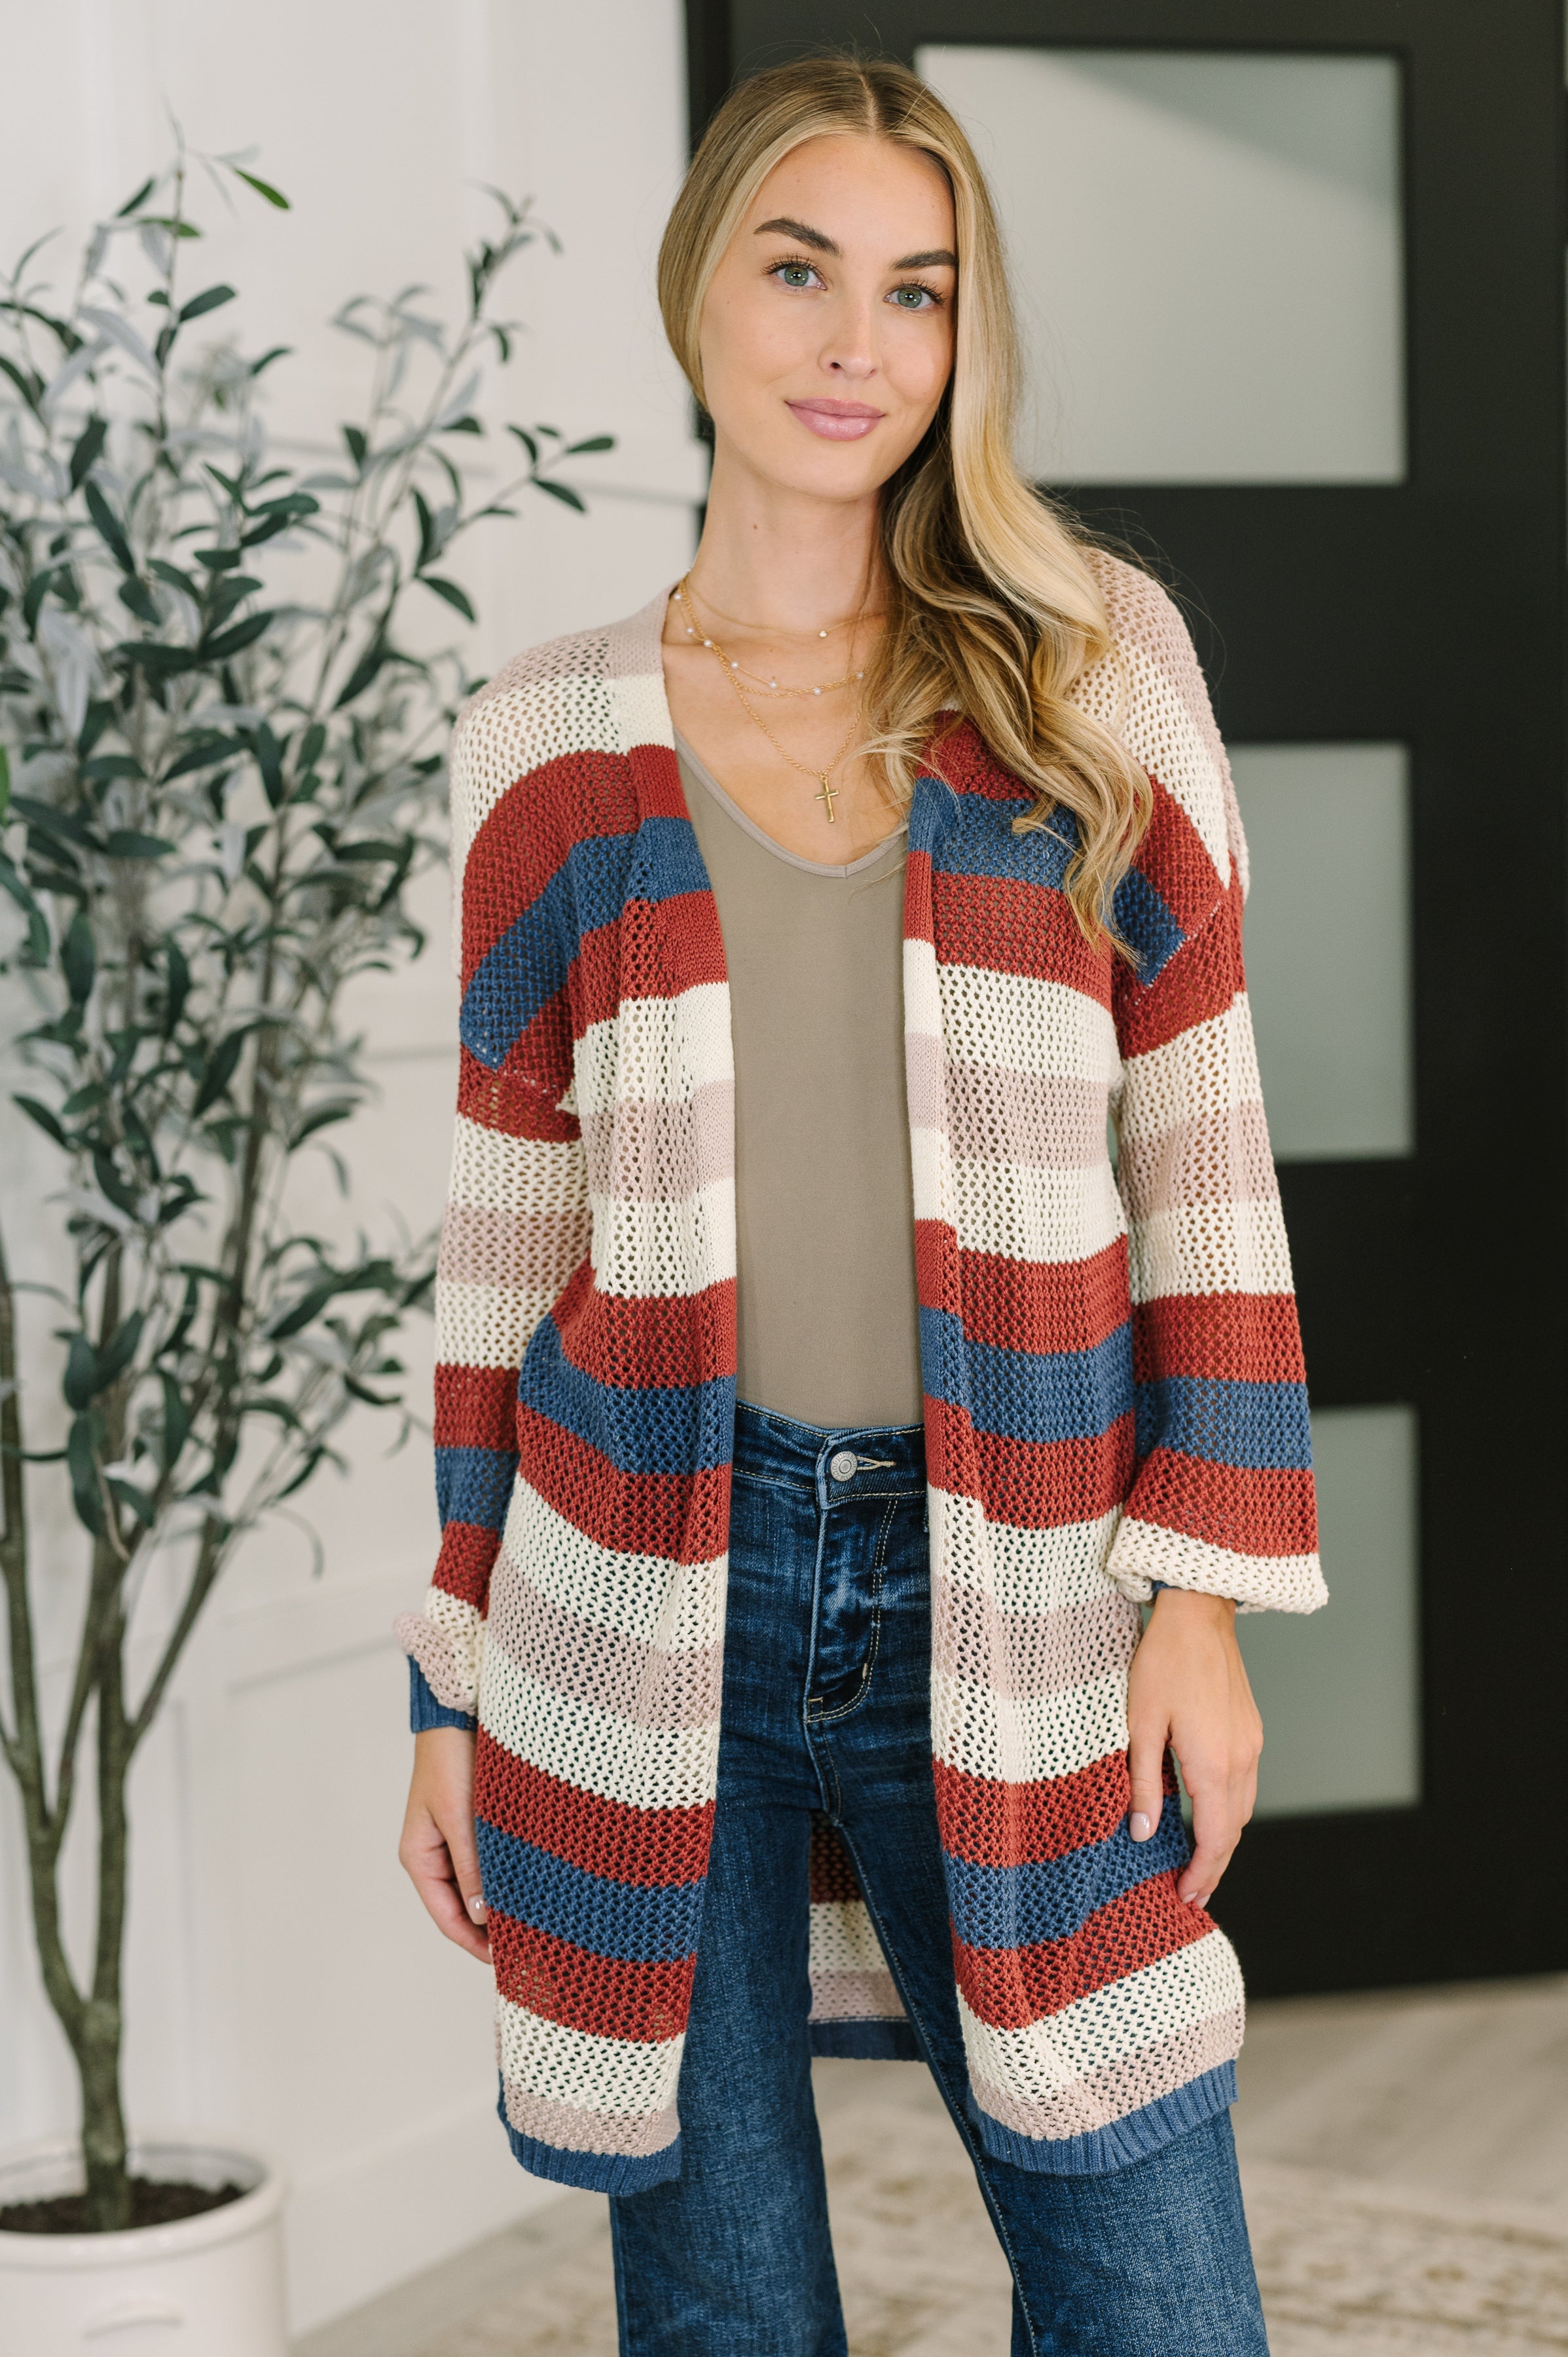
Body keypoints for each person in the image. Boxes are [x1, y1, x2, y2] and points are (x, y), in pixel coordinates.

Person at [395, 53, 1323, 2357]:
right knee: (718, 2304)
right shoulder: (546, 735)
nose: (851, 344)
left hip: (1012, 1563)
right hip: (634, 1591)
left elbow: (1198, 1147)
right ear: (694, 287)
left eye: (913, 294)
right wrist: (442, 1685)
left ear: (957, 339)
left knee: (1151, 2290)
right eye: (799, 270)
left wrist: (1194, 1598)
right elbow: (504, 1246)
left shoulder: (1082, 663)